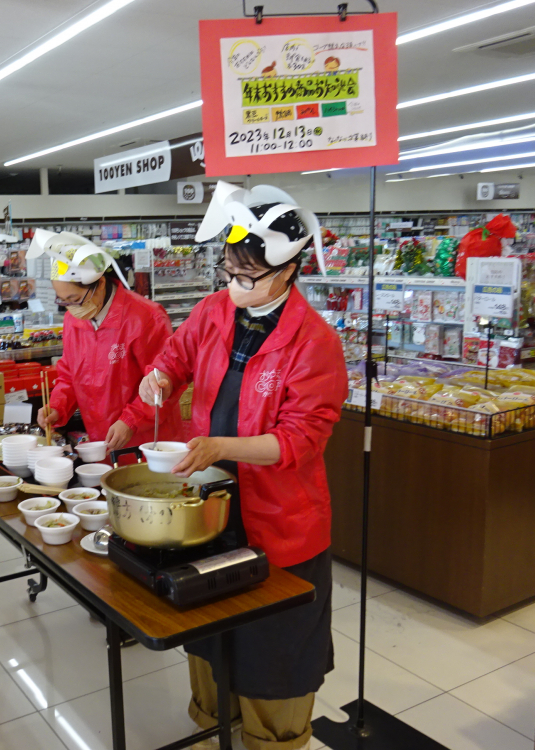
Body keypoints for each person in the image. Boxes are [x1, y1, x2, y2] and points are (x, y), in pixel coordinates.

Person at [138, 183, 347, 750]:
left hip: (281, 519)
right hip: (211, 504)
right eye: (230, 271)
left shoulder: (315, 342)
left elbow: (297, 441)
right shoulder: (214, 310)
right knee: (210, 629)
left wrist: (221, 447)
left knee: (275, 645)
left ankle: (272, 738)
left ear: (288, 271)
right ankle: (213, 723)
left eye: (249, 276)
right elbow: (172, 360)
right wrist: (155, 380)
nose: (236, 285)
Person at [28, 230, 183, 451]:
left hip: (149, 442)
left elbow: (165, 380)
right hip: (101, 440)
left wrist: (131, 420)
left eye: (74, 299)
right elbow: (70, 374)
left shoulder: (146, 317)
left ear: (100, 284)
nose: (71, 308)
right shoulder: (74, 320)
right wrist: (57, 407)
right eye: (63, 301)